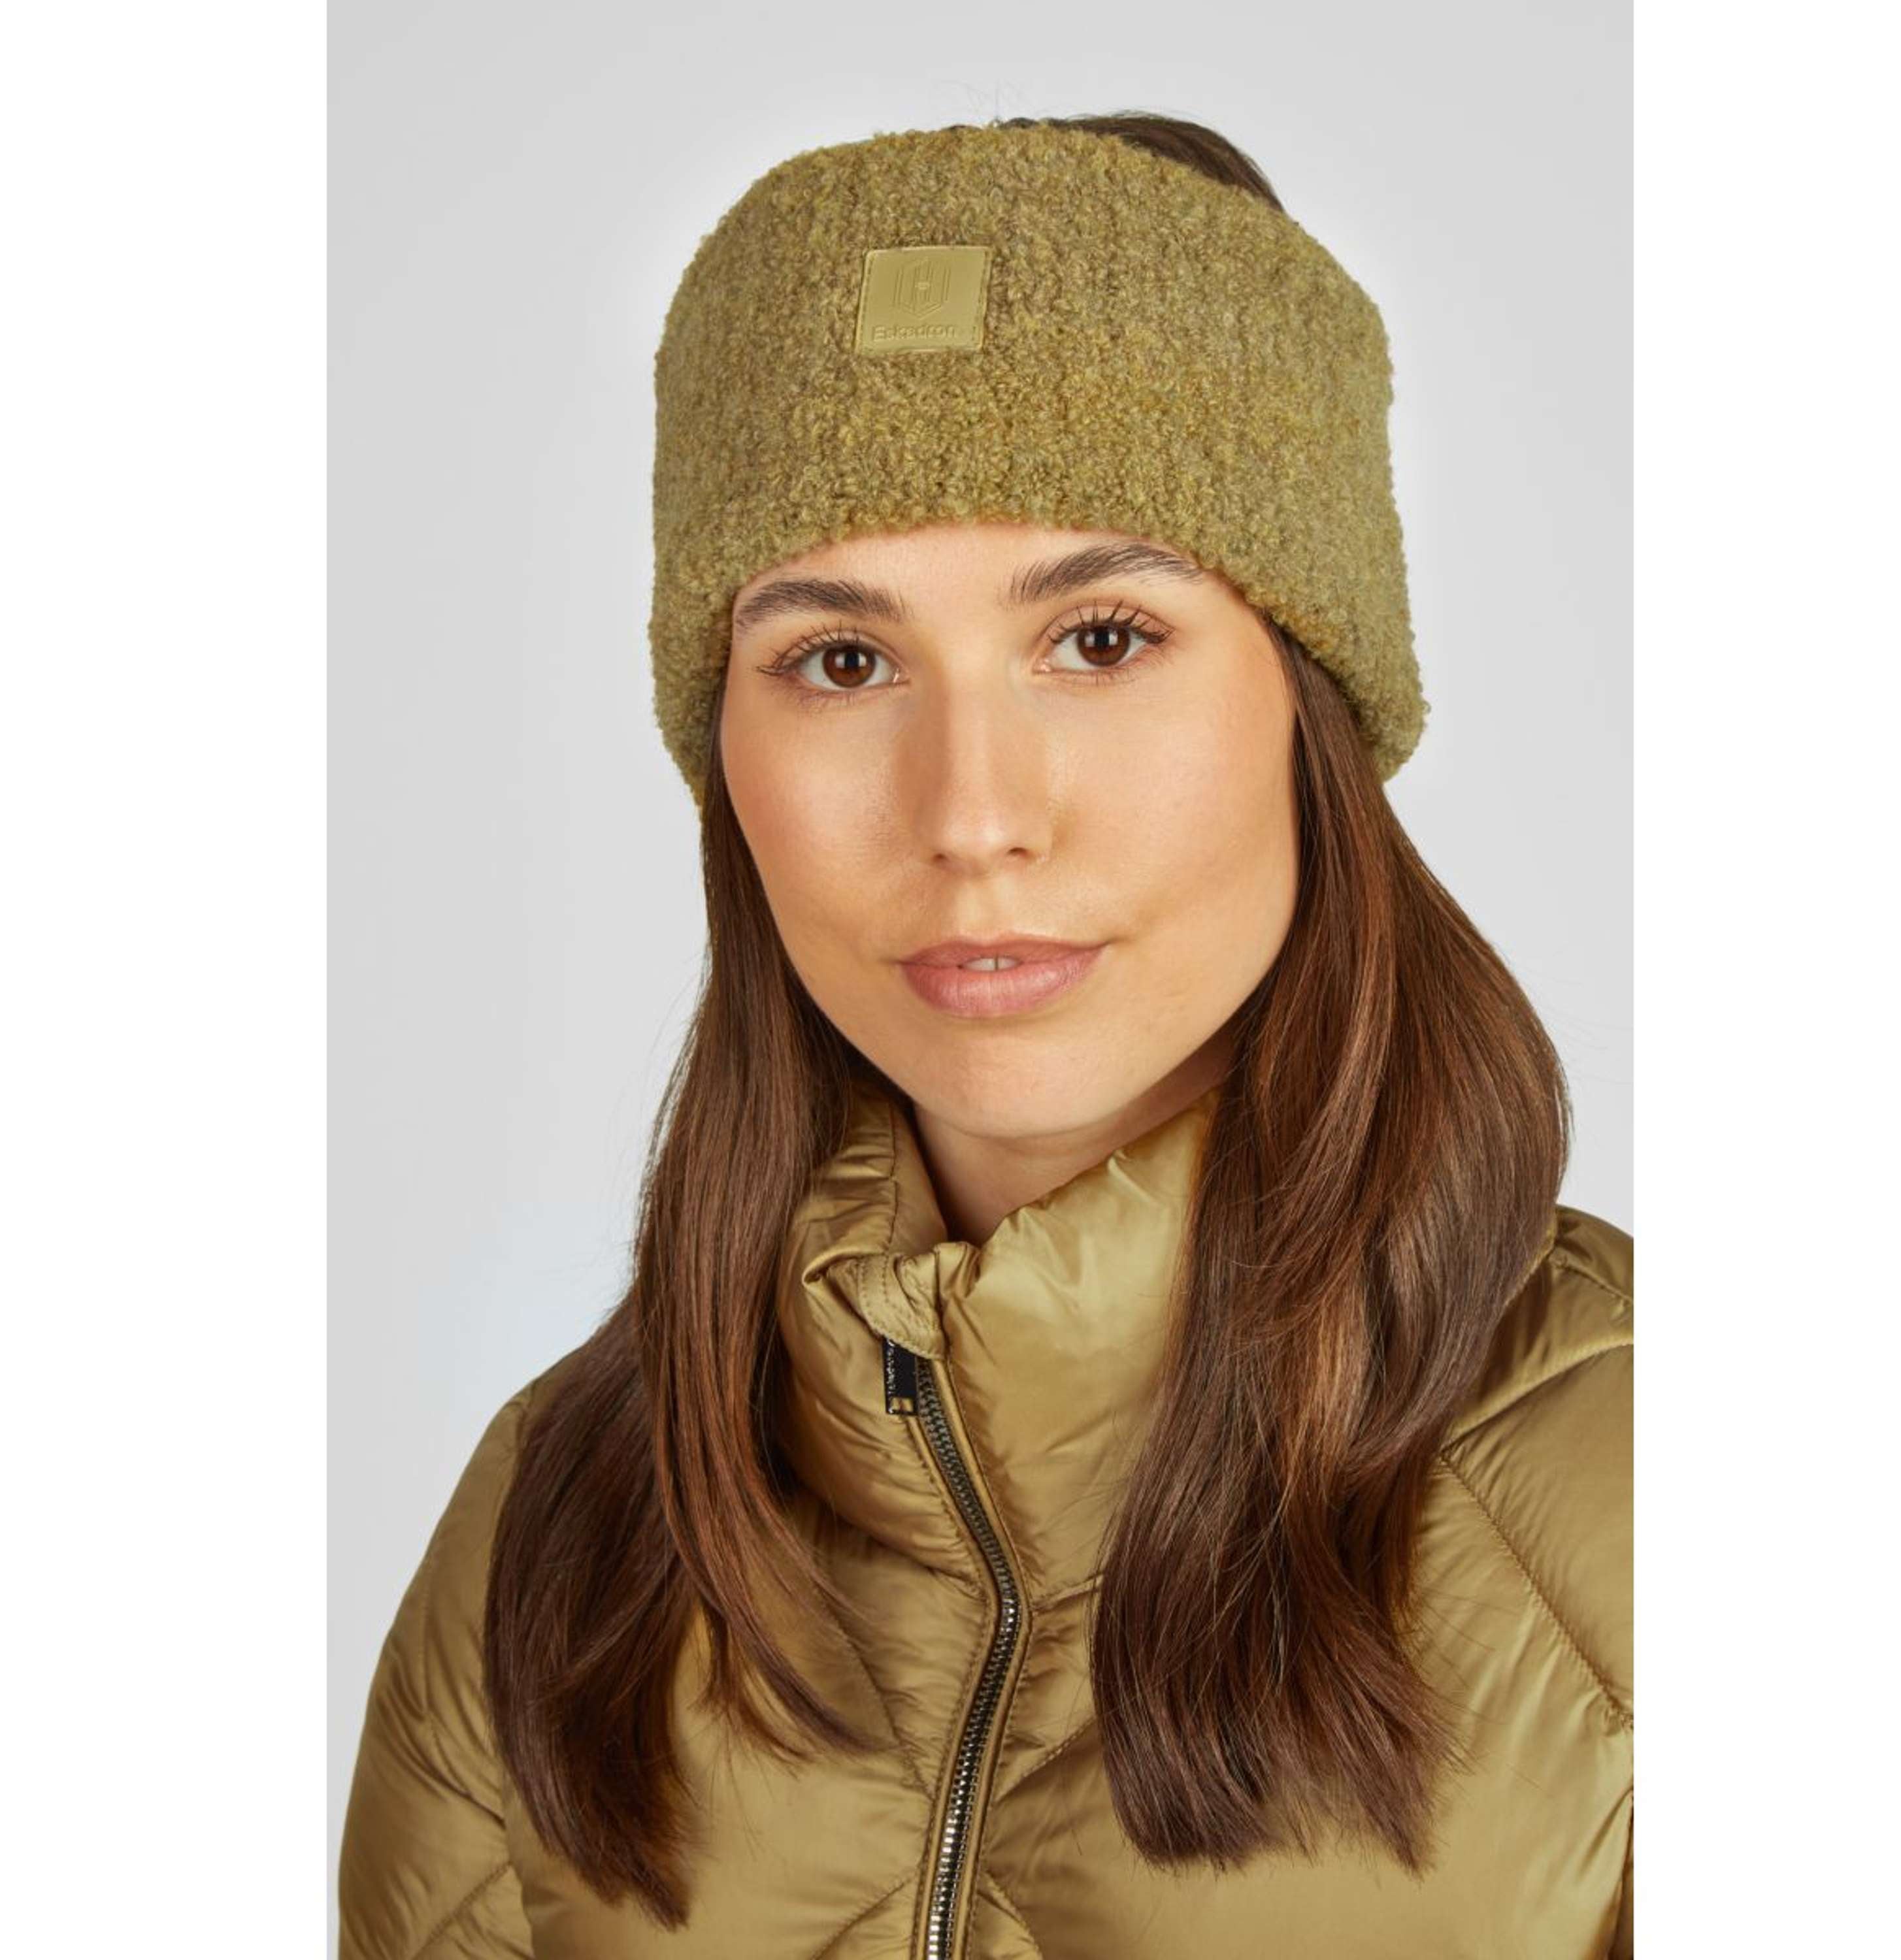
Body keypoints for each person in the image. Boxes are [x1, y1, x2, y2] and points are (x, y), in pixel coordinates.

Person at [340, 112, 1632, 1960]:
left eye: (1100, 640)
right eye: (842, 663)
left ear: (1312, 701)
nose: (971, 814)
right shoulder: (557, 1528)